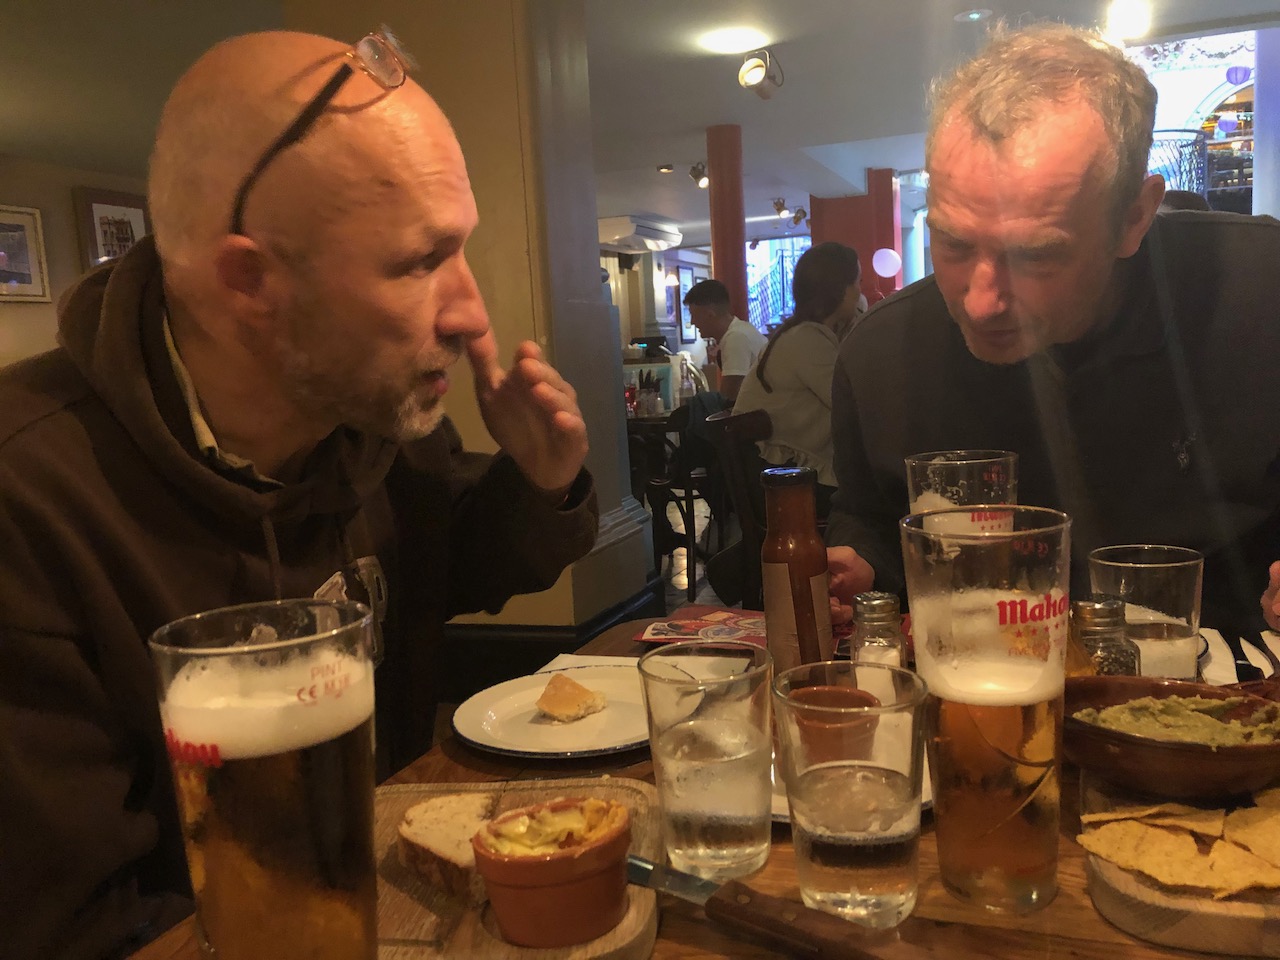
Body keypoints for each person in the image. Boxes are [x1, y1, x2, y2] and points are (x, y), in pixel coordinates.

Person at [0, 28, 598, 959]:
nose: (471, 311)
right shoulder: (28, 499)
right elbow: (65, 924)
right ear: (250, 280)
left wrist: (542, 480)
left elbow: (456, 559)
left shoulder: (367, 427)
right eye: (419, 261)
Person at [825, 22, 1280, 631]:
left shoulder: (1261, 295)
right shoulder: (879, 355)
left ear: (1135, 216)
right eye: (953, 243)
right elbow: (868, 518)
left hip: (1225, 658)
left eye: (1035, 256)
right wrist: (859, 563)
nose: (981, 303)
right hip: (984, 663)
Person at [734, 241, 863, 518]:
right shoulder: (807, 339)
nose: (860, 292)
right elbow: (854, 403)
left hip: (779, 476)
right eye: (857, 282)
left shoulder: (803, 333)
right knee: (878, 502)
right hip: (787, 485)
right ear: (840, 289)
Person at [683, 278, 767, 403]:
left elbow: (728, 398)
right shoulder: (741, 330)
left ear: (710, 314)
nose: (692, 322)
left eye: (694, 315)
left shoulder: (736, 338)